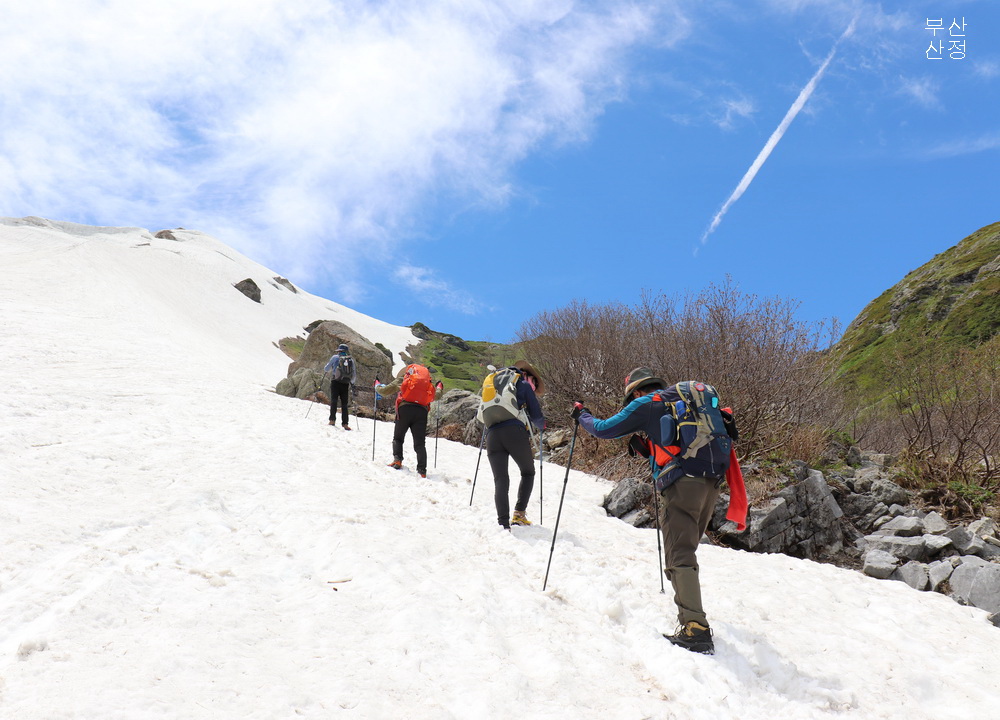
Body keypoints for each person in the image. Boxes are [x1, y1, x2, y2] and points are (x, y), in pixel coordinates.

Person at [572, 368, 735, 655]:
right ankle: (691, 612)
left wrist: (582, 415)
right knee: (685, 550)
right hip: (711, 482)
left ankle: (695, 629)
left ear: (636, 391)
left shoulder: (645, 403)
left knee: (679, 554)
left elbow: (602, 428)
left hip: (682, 483)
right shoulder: (683, 402)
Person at [481, 361, 545, 530]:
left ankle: (503, 523)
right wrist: (542, 426)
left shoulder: (494, 383)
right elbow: (536, 416)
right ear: (526, 375)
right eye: (534, 382)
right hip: (514, 432)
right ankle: (519, 515)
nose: (534, 386)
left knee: (500, 479)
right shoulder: (523, 384)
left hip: (492, 434)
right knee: (528, 472)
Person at [375, 364, 443, 478]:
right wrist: (439, 386)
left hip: (405, 410)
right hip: (421, 412)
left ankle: (397, 460)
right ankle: (422, 471)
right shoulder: (427, 384)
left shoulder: (404, 379)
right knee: (420, 443)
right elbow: (437, 395)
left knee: (398, 438)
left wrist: (377, 384)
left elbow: (384, 391)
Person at [324, 344, 357, 430]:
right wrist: (352, 383)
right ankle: (345, 424)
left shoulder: (335, 357)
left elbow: (326, 368)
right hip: (345, 383)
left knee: (334, 401)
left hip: (335, 382)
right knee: (344, 404)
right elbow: (353, 373)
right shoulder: (351, 360)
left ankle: (332, 420)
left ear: (339, 351)